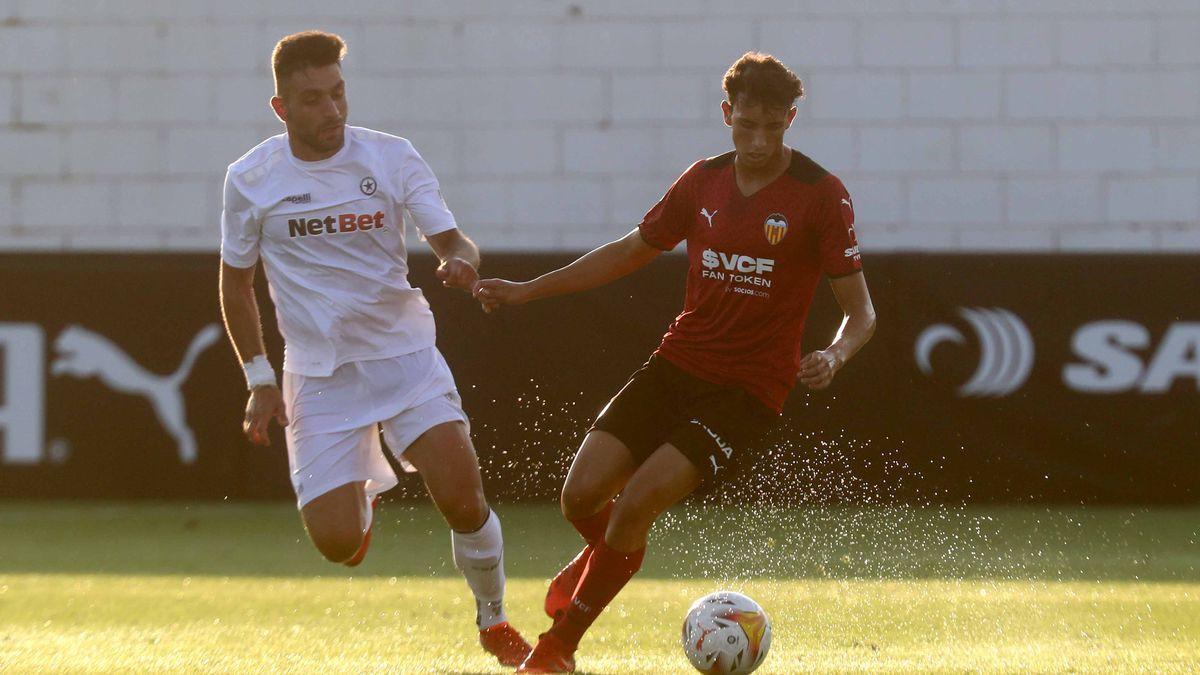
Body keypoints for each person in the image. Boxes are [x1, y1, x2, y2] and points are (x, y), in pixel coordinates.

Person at [475, 52, 877, 673]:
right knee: (580, 498)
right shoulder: (702, 181)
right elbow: (630, 250)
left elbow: (861, 311)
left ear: (791, 120)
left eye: (774, 127)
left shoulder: (821, 195)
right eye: (747, 125)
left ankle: (558, 648)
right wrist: (528, 289)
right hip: (677, 363)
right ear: (727, 115)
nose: (760, 140)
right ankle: (608, 558)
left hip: (748, 390)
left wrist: (836, 352)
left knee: (635, 505)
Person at [217, 31, 530, 666]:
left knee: (464, 500)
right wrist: (258, 377)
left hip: (405, 357)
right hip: (319, 375)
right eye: (312, 99)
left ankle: (493, 619)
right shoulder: (250, 179)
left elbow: (452, 240)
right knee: (336, 545)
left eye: (338, 93)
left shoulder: (390, 157)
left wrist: (460, 264)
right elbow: (235, 284)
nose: (331, 111)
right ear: (281, 109)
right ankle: (366, 487)